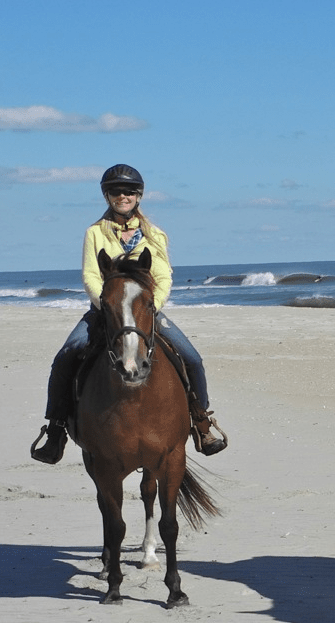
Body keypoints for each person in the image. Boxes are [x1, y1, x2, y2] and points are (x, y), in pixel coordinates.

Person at [30, 164, 228, 464]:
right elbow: (90, 276)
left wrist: (151, 307)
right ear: (107, 196)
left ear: (138, 196)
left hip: (145, 311)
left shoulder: (155, 235)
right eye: (115, 192)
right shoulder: (95, 232)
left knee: (192, 357)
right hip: (106, 311)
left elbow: (164, 278)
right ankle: (56, 428)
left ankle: (201, 423)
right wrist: (108, 307)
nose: (122, 196)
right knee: (68, 353)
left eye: (129, 192)